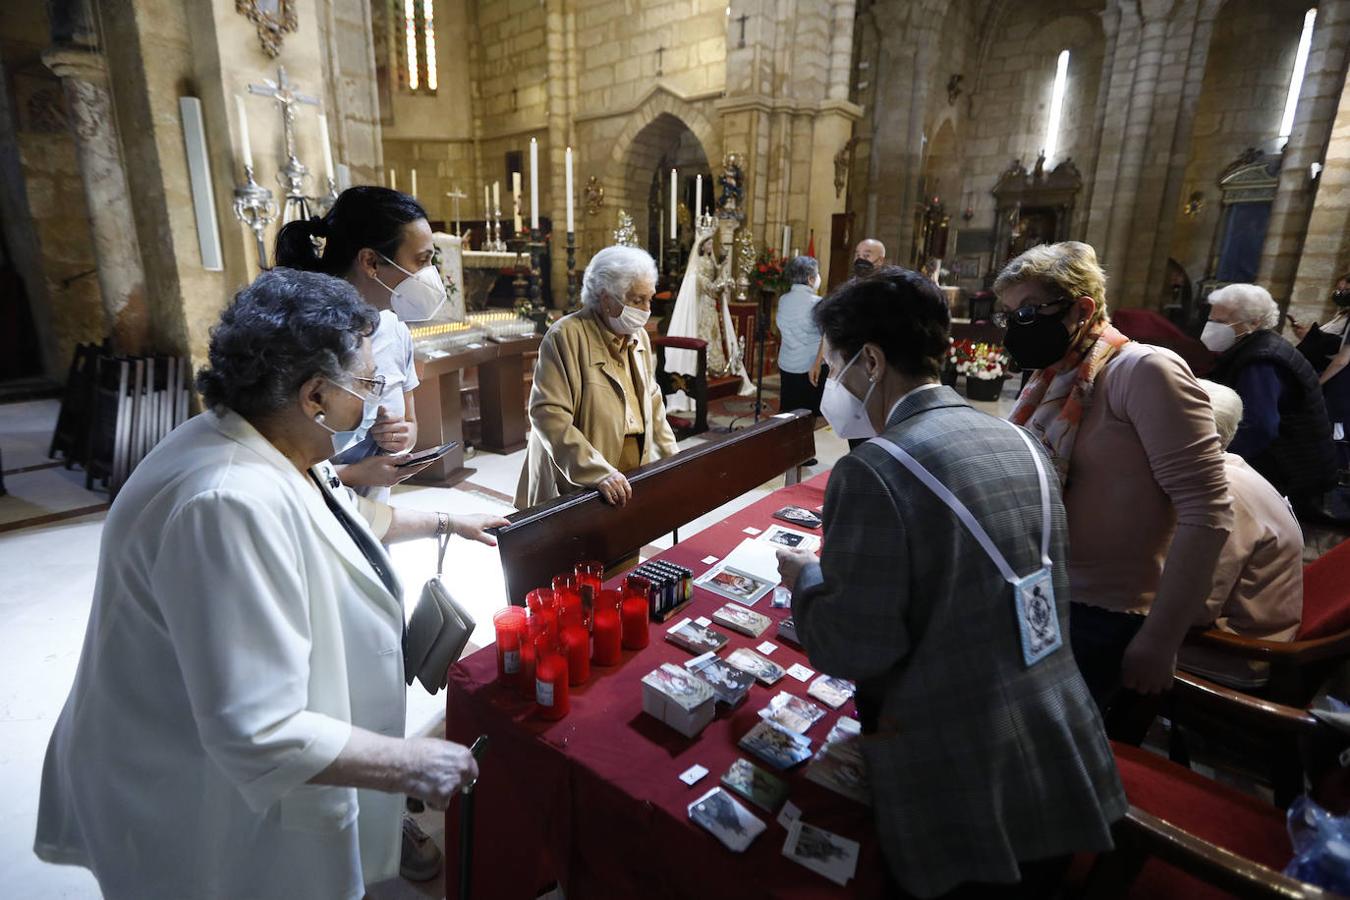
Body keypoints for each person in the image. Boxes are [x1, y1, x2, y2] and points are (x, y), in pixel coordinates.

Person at [35, 270, 486, 900]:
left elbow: (342, 523)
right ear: (314, 396)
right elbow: (256, 726)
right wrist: (411, 760)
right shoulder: (226, 501)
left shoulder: (266, 443)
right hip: (188, 796)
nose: (377, 399)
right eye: (366, 382)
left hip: (223, 771)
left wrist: (450, 520)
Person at [777, 267, 1124, 898]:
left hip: (961, 778)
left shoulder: (875, 470)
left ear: (871, 362)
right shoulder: (1024, 440)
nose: (829, 384)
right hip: (1060, 748)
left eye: (833, 366)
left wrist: (808, 581)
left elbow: (854, 648)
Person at [996, 241, 1233, 720]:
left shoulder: (1144, 371)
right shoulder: (1052, 377)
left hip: (1108, 613)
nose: (1016, 326)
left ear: (1081, 309)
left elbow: (1207, 510)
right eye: (1009, 315)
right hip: (1047, 590)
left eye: (1027, 311)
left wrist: (1161, 640)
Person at [275, 186, 444, 504]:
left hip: (374, 513)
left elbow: (409, 420)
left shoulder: (395, 328)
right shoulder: (301, 339)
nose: (429, 276)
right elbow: (277, 471)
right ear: (370, 261)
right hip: (310, 512)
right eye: (421, 261)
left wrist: (401, 436)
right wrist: (356, 474)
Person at [516, 245, 679, 509]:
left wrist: (674, 460)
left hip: (633, 470)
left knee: (627, 545)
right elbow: (548, 414)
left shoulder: (640, 337)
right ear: (605, 298)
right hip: (582, 476)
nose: (647, 310)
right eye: (637, 300)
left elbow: (653, 402)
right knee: (580, 549)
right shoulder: (566, 336)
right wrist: (596, 471)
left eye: (650, 299)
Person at [1177, 380, 1303, 689]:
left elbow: (1194, 608)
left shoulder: (1220, 494)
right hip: (1232, 632)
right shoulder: (1228, 468)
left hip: (1229, 652)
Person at [1203, 282, 1336, 513]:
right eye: (1212, 320)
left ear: (1254, 323)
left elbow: (1257, 427)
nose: (1212, 328)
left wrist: (1213, 465)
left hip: (1289, 472)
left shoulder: (1261, 360)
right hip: (1286, 465)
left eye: (1222, 322)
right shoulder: (1255, 347)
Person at [776, 256, 826, 465]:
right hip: (809, 365)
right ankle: (802, 454)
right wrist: (817, 363)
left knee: (789, 408)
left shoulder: (783, 299)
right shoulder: (817, 303)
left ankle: (786, 451)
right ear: (809, 278)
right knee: (808, 413)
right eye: (816, 274)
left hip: (787, 362)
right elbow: (826, 336)